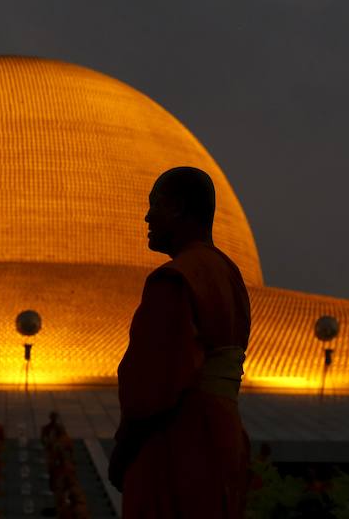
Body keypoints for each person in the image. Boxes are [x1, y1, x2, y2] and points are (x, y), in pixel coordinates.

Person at [109, 167, 252, 518]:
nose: (147, 216)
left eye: (154, 204)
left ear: (177, 207)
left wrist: (122, 452)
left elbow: (154, 385)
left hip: (180, 444)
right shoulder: (228, 273)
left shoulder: (175, 280)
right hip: (225, 438)